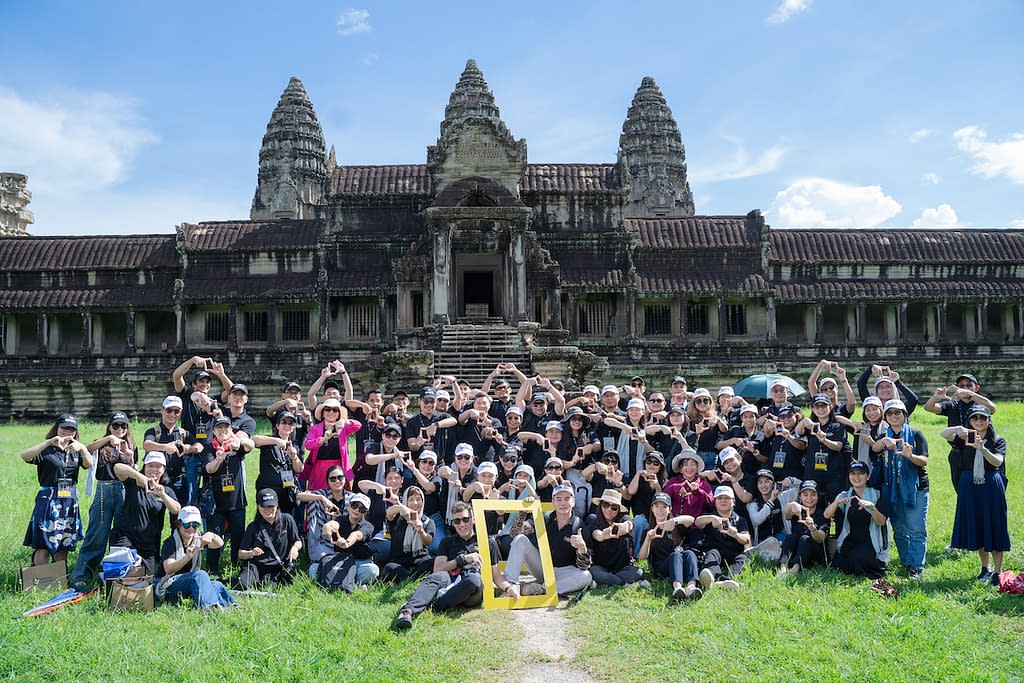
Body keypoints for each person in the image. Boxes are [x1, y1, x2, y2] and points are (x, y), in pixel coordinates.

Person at [393, 501, 504, 631]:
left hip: (472, 590)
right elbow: (438, 568)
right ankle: (407, 611)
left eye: (465, 519)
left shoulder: (487, 542)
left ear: (473, 520)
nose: (461, 524)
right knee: (437, 576)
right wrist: (462, 560)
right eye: (457, 521)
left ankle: (435, 605)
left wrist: (509, 588)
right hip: (450, 580)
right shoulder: (447, 541)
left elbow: (496, 576)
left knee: (473, 579)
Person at [941, 406, 1011, 584]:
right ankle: (984, 568)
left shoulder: (997, 440)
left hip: (990, 484)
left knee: (994, 523)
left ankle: (998, 571)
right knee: (978, 524)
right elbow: (943, 433)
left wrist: (982, 449)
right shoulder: (964, 438)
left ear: (989, 420)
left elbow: (998, 461)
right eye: (975, 418)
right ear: (970, 421)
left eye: (982, 418)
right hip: (969, 484)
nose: (979, 421)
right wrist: (958, 429)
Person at [69, 411, 137, 589]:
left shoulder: (131, 445)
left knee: (122, 533)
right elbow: (87, 449)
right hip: (104, 489)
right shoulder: (102, 443)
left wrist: (128, 455)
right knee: (97, 532)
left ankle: (118, 572)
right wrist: (108, 439)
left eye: (123, 426)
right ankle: (82, 573)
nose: (120, 429)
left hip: (124, 489)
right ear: (109, 427)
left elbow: (133, 469)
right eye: (116, 426)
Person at [20, 413, 94, 567]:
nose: (68, 432)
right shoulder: (47, 449)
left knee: (64, 542)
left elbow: (89, 464)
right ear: (57, 428)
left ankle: (58, 579)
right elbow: (25, 456)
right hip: (49, 498)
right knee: (44, 543)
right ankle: (39, 579)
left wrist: (82, 448)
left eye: (72, 430)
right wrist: (48, 442)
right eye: (64, 428)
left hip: (69, 500)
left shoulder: (76, 449)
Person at [870, 399, 929, 580]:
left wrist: (910, 456)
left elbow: (924, 461)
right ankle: (907, 562)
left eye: (898, 413)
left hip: (915, 487)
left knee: (916, 528)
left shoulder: (916, 434)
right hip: (892, 488)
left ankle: (917, 567)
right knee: (899, 527)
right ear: (885, 417)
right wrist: (884, 442)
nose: (894, 416)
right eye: (890, 413)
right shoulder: (884, 436)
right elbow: (874, 448)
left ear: (904, 415)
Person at [501, 483, 593, 598]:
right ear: (553, 502)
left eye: (567, 499)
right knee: (520, 539)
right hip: (542, 567)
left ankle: (539, 589)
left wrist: (581, 548)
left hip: (564, 572)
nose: (563, 503)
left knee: (586, 576)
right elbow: (515, 533)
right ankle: (510, 586)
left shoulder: (579, 526)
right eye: (558, 499)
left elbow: (584, 566)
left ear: (573, 501)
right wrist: (523, 511)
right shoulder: (544, 518)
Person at [108, 453, 182, 573]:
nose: (154, 469)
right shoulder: (133, 483)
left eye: (158, 466)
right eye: (150, 465)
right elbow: (117, 468)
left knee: (145, 578)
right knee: (120, 574)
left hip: (148, 543)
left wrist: (162, 495)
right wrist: (137, 475)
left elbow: (177, 509)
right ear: (145, 467)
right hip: (125, 537)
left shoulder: (166, 490)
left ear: (163, 469)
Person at [202, 415, 255, 577]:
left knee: (238, 537)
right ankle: (213, 569)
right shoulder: (209, 448)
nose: (223, 430)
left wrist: (240, 441)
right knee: (215, 536)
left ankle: (237, 568)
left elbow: (250, 445)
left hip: (237, 502)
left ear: (231, 429)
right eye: (219, 428)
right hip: (216, 503)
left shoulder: (236, 446)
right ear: (214, 431)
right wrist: (218, 459)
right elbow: (209, 469)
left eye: (226, 427)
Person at [155, 506, 237, 609]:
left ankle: (232, 606)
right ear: (179, 524)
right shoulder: (170, 543)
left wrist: (212, 535)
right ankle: (209, 608)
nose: (191, 529)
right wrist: (187, 557)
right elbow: (169, 568)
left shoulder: (198, 539)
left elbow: (219, 544)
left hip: (189, 582)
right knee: (200, 575)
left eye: (195, 525)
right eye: (186, 525)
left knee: (216, 584)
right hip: (168, 585)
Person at [826, 462, 890, 578]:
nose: (856, 477)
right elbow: (827, 514)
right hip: (850, 539)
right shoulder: (845, 495)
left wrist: (872, 507)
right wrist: (837, 502)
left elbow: (881, 522)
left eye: (860, 474)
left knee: (858, 558)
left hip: (869, 541)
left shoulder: (877, 495)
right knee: (842, 561)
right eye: (853, 474)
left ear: (868, 476)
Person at [637, 492, 700, 602]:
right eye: (657, 506)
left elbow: (691, 520)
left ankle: (691, 587)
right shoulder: (648, 530)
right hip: (661, 569)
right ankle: (678, 588)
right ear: (652, 508)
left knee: (689, 553)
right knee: (675, 555)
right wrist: (648, 539)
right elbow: (642, 557)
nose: (660, 510)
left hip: (679, 565)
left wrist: (674, 521)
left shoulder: (676, 527)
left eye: (664, 507)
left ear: (670, 509)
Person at [143, 395, 204, 507]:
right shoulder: (154, 431)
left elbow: (200, 447)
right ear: (162, 410)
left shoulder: (183, 433)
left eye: (176, 411)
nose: (172, 414)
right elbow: (147, 445)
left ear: (180, 413)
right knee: (153, 511)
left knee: (179, 513)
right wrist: (165, 447)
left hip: (178, 480)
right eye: (169, 410)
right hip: (157, 478)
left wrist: (188, 449)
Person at [237, 488, 303, 590]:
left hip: (276, 567)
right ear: (258, 506)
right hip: (256, 566)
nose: (268, 510)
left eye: (271, 506)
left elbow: (298, 541)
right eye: (264, 506)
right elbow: (241, 554)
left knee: (267, 587)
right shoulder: (253, 526)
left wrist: (295, 548)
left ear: (277, 505)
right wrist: (251, 553)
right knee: (243, 585)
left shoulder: (287, 520)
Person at [318, 492, 379, 592]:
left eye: (362, 508)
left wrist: (347, 542)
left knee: (372, 570)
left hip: (359, 562)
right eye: (354, 505)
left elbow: (357, 535)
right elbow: (335, 524)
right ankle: (350, 584)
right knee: (313, 569)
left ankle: (342, 582)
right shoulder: (341, 520)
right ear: (349, 506)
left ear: (365, 512)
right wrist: (328, 526)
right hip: (340, 561)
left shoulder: (368, 526)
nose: (356, 510)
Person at [692, 486, 750, 590]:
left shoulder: (740, 519)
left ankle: (728, 580)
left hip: (733, 552)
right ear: (715, 501)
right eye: (719, 498)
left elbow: (746, 540)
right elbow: (697, 522)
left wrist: (735, 534)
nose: (723, 501)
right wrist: (712, 518)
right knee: (712, 553)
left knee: (743, 558)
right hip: (715, 551)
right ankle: (709, 577)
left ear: (733, 501)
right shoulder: (709, 516)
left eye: (727, 498)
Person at [253, 410, 304, 523]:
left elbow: (299, 469)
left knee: (286, 520)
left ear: (293, 427)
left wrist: (294, 456)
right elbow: (254, 440)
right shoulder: (269, 441)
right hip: (268, 489)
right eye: (284, 422)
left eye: (290, 423)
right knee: (265, 520)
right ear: (277, 425)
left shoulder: (295, 445)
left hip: (287, 490)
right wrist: (276, 440)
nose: (287, 425)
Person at [585, 489, 644, 587]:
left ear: (618, 510)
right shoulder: (593, 520)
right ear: (600, 505)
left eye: (614, 507)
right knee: (593, 571)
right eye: (605, 505)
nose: (609, 510)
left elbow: (629, 524)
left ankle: (608, 580)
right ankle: (623, 583)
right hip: (600, 566)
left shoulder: (623, 519)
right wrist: (604, 535)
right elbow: (596, 534)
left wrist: (624, 527)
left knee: (638, 572)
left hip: (622, 567)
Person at [302, 398, 362, 492]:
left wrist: (346, 421)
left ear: (338, 413)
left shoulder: (342, 428)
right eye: (328, 409)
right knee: (318, 497)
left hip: (338, 466)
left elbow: (358, 425)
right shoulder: (316, 428)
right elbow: (308, 445)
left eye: (335, 410)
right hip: (319, 468)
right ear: (323, 412)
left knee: (340, 496)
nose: (331, 412)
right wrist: (323, 439)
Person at [381, 486, 436, 582]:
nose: (415, 503)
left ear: (423, 502)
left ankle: (409, 579)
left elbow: (428, 541)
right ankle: (414, 579)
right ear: (405, 501)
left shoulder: (427, 521)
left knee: (433, 562)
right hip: (399, 562)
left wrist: (420, 530)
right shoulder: (398, 518)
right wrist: (400, 508)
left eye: (418, 499)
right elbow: (388, 514)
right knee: (388, 568)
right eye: (411, 500)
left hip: (420, 560)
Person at [777, 480, 829, 578]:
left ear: (818, 496)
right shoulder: (797, 509)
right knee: (791, 537)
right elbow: (787, 514)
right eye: (805, 495)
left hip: (815, 553)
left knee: (805, 538)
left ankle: (794, 570)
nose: (809, 498)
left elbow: (820, 538)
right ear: (800, 496)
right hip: (797, 550)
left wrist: (812, 528)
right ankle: (783, 569)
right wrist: (792, 504)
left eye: (813, 494)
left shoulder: (823, 514)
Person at [663, 450, 714, 518]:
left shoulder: (703, 483)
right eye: (685, 464)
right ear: (680, 469)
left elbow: (711, 505)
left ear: (697, 468)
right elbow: (664, 498)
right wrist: (676, 488)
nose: (689, 468)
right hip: (676, 522)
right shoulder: (673, 481)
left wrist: (698, 491)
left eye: (692, 464)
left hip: (697, 524)